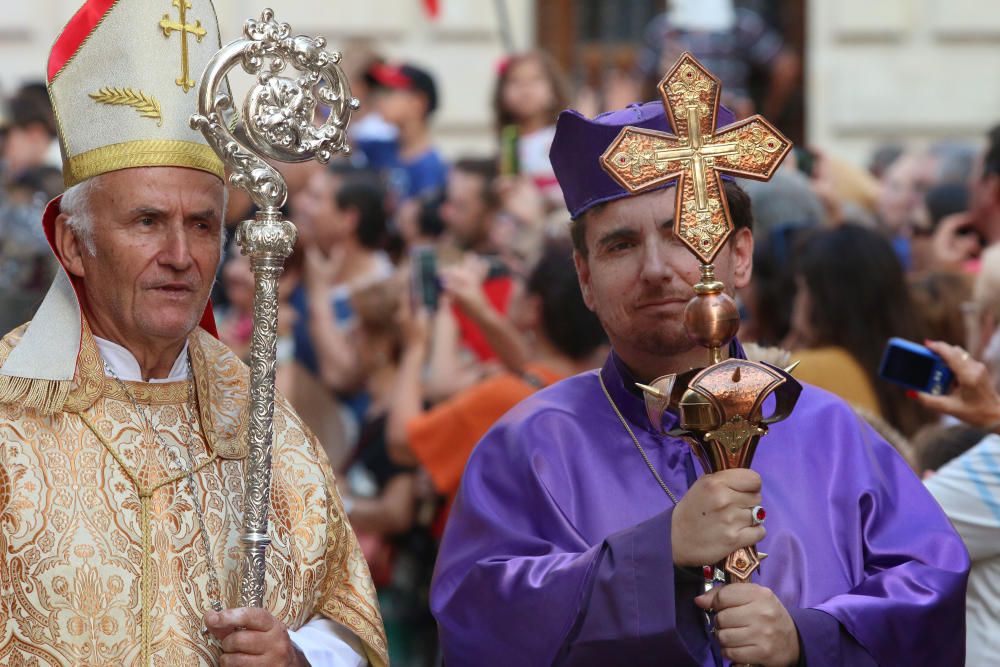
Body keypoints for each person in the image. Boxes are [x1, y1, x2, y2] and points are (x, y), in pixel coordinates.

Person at [430, 96, 969, 665]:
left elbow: (931, 593)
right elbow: (477, 623)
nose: (657, 268)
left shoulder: (832, 433)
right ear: (585, 278)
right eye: (621, 244)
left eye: (684, 231)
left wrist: (808, 638)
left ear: (739, 255)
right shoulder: (529, 447)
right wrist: (651, 555)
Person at [0, 1, 387, 665]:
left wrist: (297, 656)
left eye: (204, 224)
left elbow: (344, 612)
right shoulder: (9, 412)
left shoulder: (257, 409)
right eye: (148, 221)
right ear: (72, 241)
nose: (182, 254)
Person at [387, 239, 607, 509]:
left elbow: (403, 443)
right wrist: (479, 311)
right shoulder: (596, 386)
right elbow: (528, 365)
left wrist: (414, 347)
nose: (512, 284)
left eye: (521, 279)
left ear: (534, 308)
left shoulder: (507, 396)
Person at [786, 224, 935, 436]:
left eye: (801, 288)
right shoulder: (915, 361)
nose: (797, 301)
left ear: (819, 300)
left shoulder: (806, 371)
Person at [367, 61, 448, 203]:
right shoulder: (375, 148)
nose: (379, 99)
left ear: (418, 102)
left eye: (389, 92)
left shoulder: (432, 168)